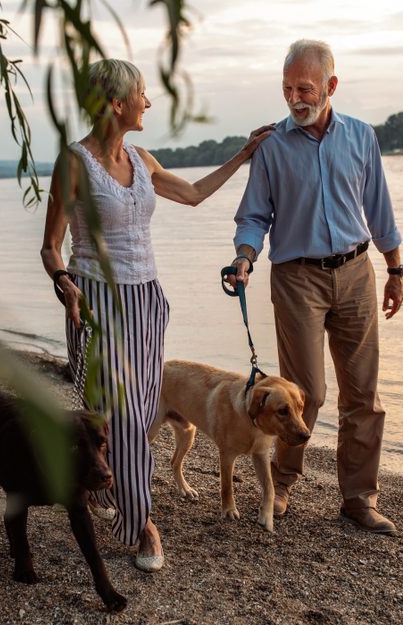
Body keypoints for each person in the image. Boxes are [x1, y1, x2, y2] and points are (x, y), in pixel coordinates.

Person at [41, 59, 273, 571]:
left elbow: (193, 195)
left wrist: (243, 154)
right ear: (117, 103)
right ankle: (142, 523)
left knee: (139, 413)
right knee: (120, 415)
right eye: (142, 94)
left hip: (147, 301)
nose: (148, 102)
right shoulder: (73, 163)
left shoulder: (142, 159)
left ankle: (101, 489)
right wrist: (64, 283)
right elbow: (51, 246)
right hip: (96, 301)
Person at [229, 40, 403, 535]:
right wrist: (244, 258)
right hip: (296, 278)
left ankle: (358, 499)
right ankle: (282, 483)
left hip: (356, 272)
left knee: (363, 396)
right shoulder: (271, 146)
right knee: (305, 392)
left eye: (304, 89)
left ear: (331, 85)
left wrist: (395, 269)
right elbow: (254, 216)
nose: (294, 99)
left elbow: (379, 209)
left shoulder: (362, 137)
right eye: (287, 89)